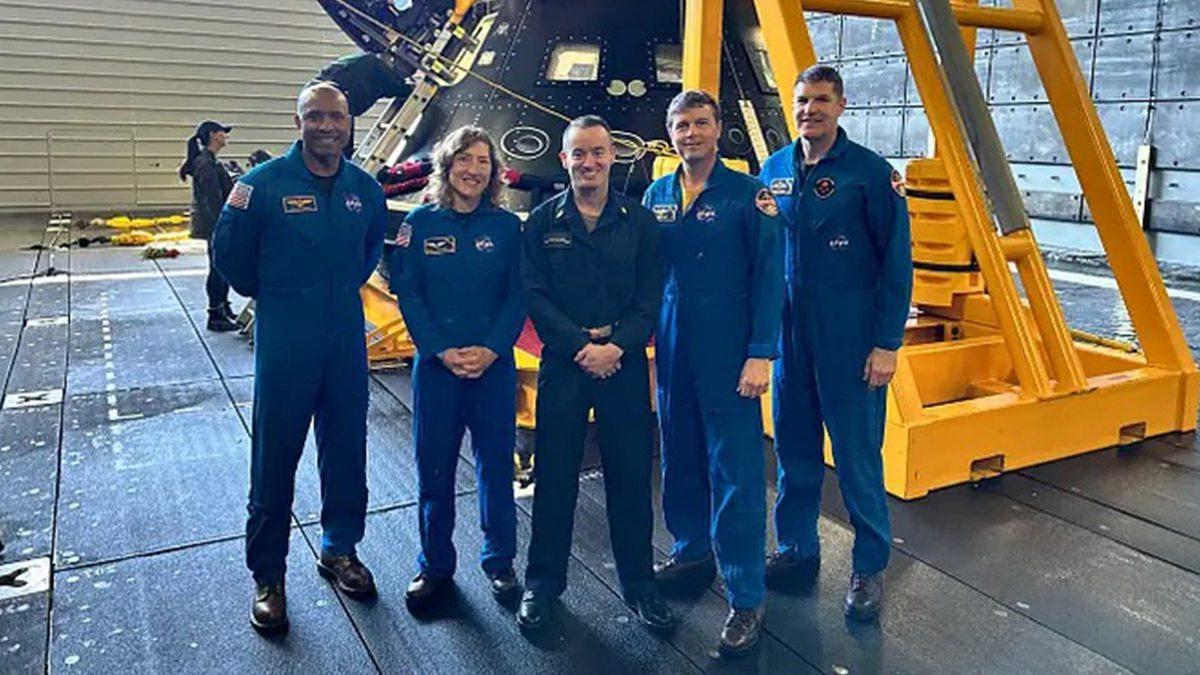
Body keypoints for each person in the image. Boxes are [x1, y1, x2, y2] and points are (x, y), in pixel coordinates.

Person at [212, 83, 388, 634]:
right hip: (286, 338)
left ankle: (339, 549)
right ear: (298, 122)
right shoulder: (258, 186)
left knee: (346, 450)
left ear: (349, 122)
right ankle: (269, 576)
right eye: (315, 117)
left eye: (337, 117)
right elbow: (230, 255)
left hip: (342, 337)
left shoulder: (364, 189)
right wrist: (278, 294)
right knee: (274, 456)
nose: (327, 126)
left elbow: (369, 253)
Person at [757, 65, 913, 622]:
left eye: (821, 100)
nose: (810, 110)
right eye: (802, 101)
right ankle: (797, 549)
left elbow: (897, 264)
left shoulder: (872, 174)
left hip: (850, 342)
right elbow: (760, 254)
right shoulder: (773, 170)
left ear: (841, 106)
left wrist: (887, 343)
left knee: (855, 459)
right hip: (789, 341)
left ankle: (869, 566)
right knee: (795, 452)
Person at [517, 115, 675, 634]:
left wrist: (617, 346)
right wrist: (581, 346)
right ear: (564, 160)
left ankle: (639, 585)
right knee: (555, 475)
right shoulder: (542, 222)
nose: (588, 162)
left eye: (597, 152)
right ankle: (541, 584)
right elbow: (535, 296)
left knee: (631, 476)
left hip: (623, 364)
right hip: (566, 362)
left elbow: (651, 296)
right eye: (578, 154)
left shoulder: (640, 221)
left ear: (612, 157)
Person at [642, 90, 783, 657]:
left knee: (736, 465)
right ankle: (692, 548)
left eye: (701, 123)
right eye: (681, 124)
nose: (691, 133)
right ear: (670, 132)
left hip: (729, 344)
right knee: (679, 451)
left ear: (718, 129)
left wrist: (760, 352)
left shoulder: (750, 196)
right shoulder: (657, 194)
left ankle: (746, 591)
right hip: (674, 341)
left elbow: (773, 275)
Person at [389, 126, 523, 610]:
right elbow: (409, 292)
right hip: (437, 370)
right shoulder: (419, 225)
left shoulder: (508, 229)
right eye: (464, 159)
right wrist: (440, 350)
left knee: (495, 468)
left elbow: (517, 296)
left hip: (493, 369)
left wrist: (490, 349)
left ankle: (500, 562)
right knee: (435, 470)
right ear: (446, 165)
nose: (473, 169)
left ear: (493, 172)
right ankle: (435, 566)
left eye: (483, 161)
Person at [179, 120, 237, 332]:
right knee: (218, 268)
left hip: (216, 224)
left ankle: (223, 307)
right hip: (215, 225)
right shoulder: (205, 164)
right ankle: (215, 313)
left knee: (222, 267)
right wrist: (222, 227)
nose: (226, 136)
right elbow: (211, 200)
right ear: (213, 135)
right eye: (223, 132)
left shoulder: (210, 161)